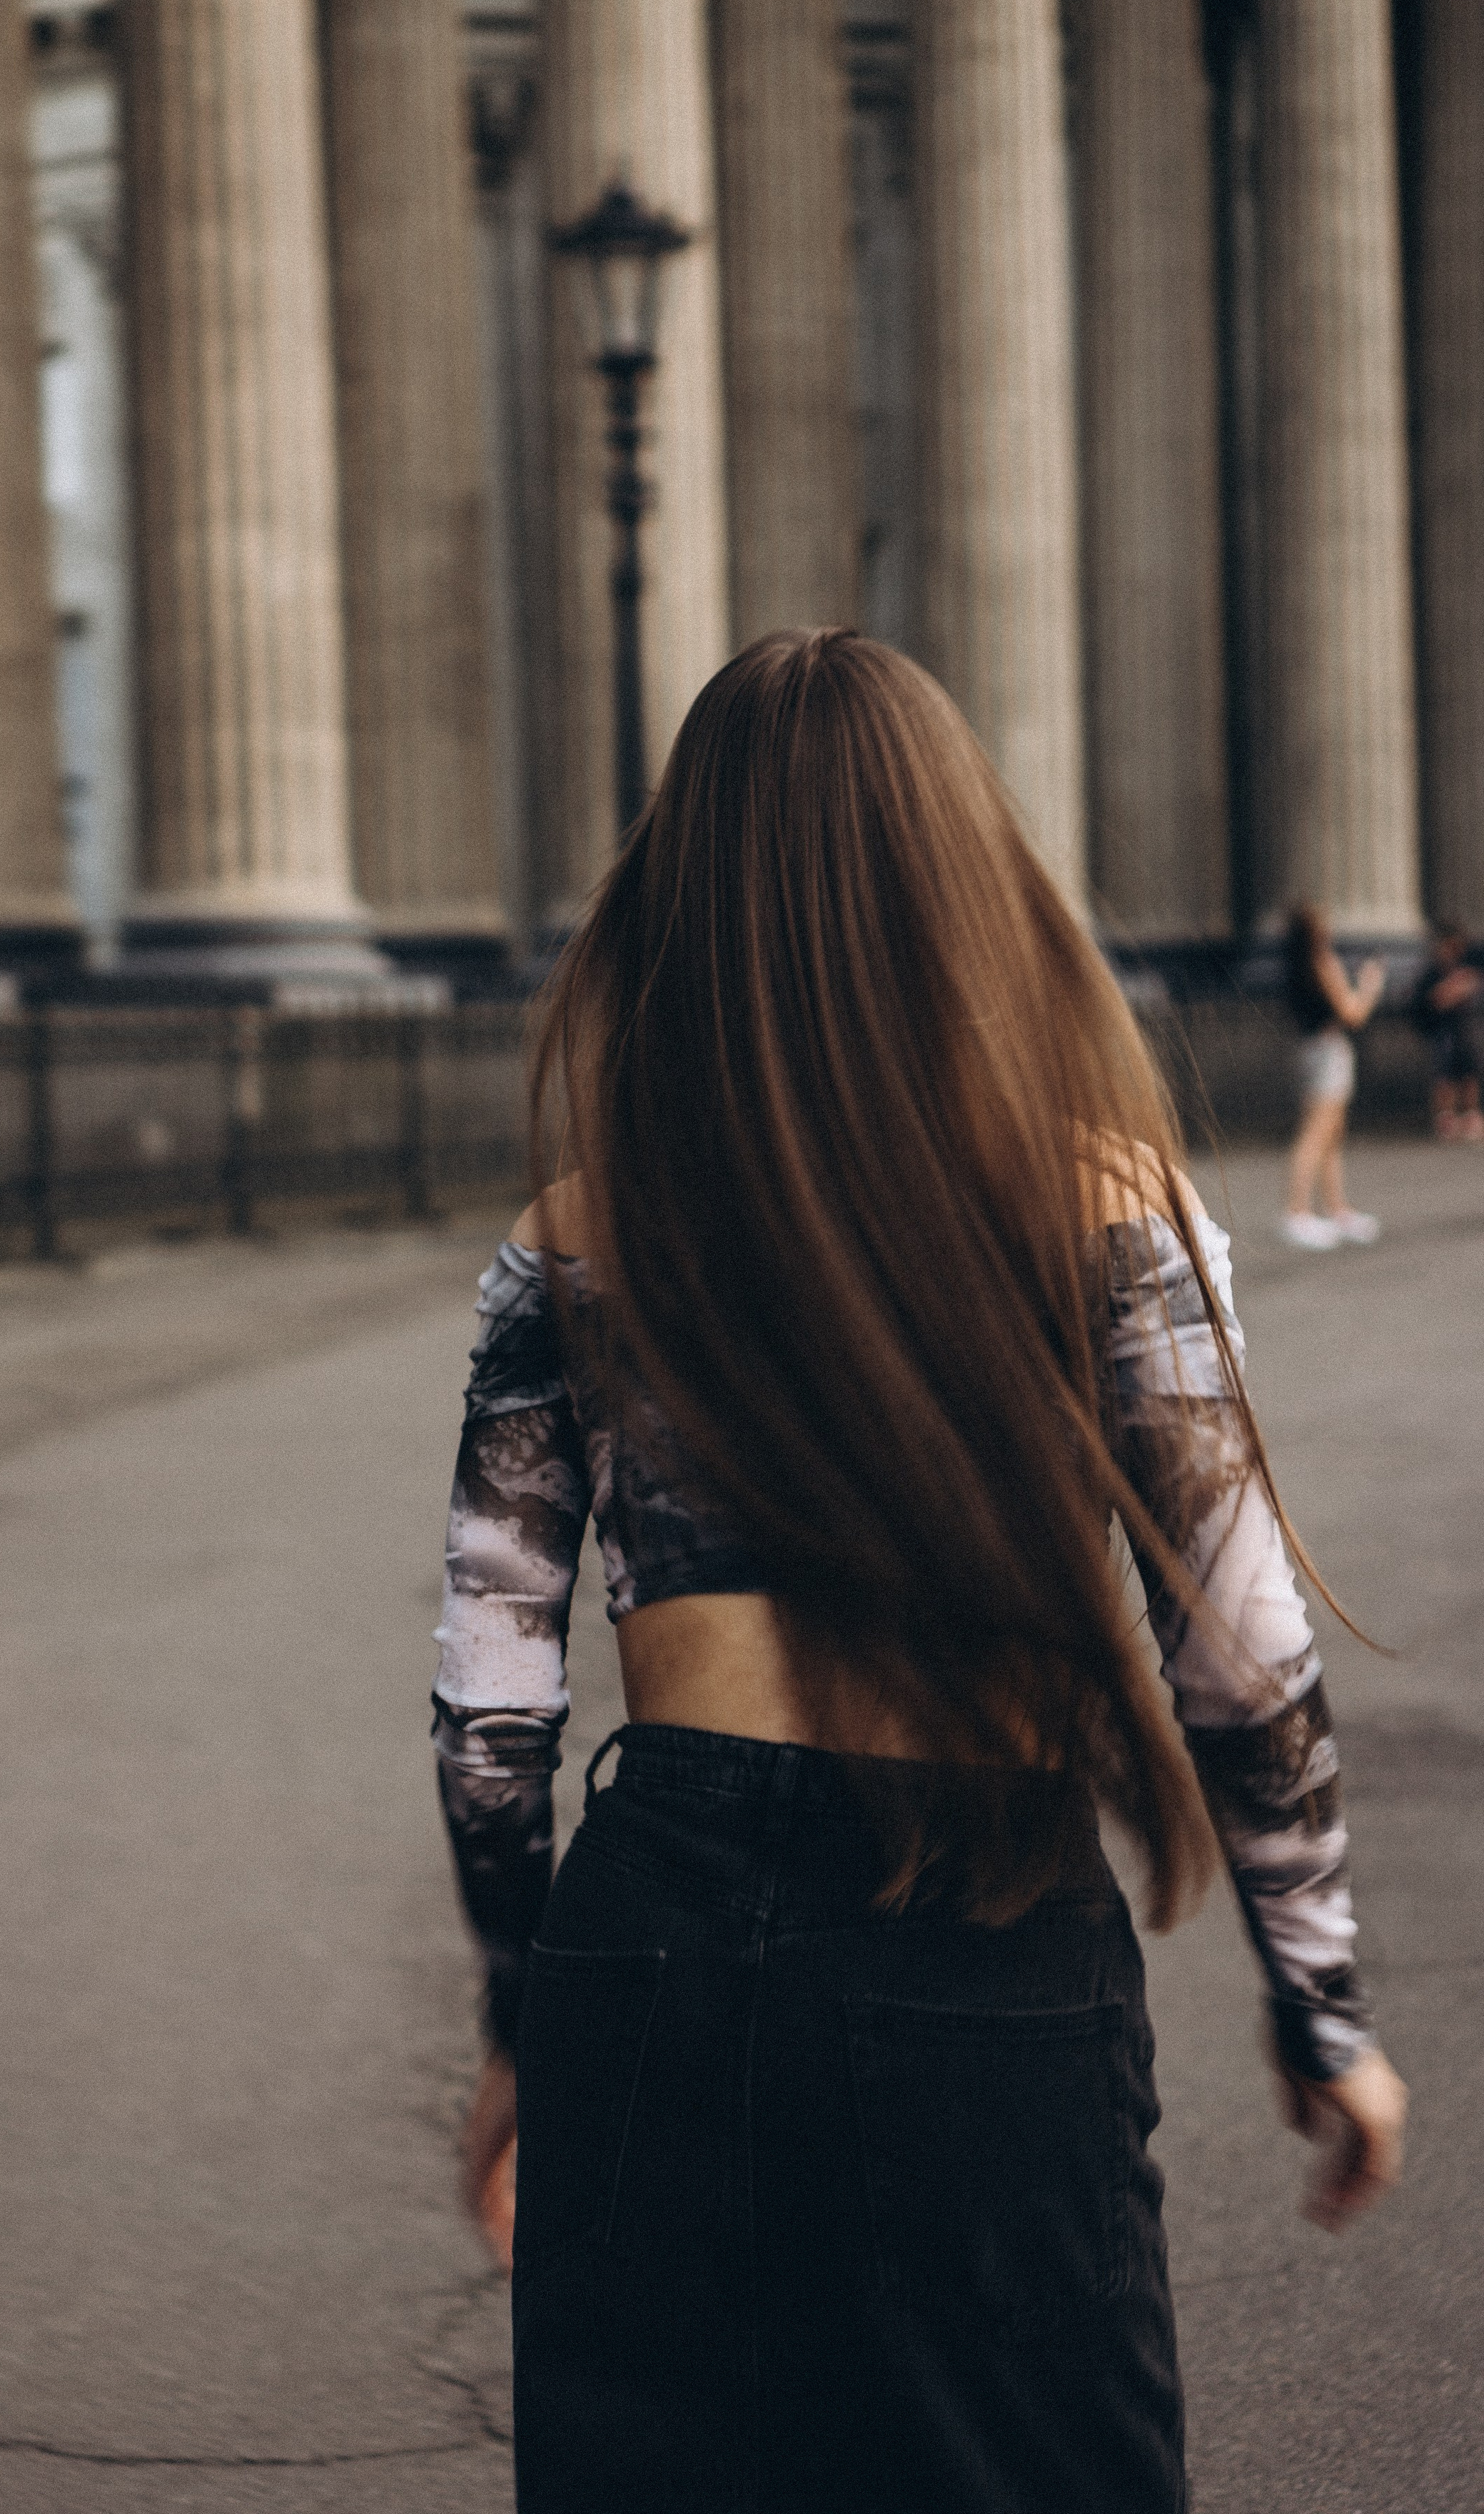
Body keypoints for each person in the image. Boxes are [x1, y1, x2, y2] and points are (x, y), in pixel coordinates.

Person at [431, 633, 1405, 2514]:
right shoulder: (1113, 1209)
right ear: (968, 894)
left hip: (656, 1938)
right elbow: (1249, 1661)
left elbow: (493, 1717)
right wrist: (1325, 2014)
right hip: (978, 1922)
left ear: (682, 910)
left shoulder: (572, 1245)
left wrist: (521, 2025)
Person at [1281, 904, 1386, 1249]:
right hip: (1329, 1052)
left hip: (1310, 1049)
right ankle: (1298, 1212)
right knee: (1317, 1134)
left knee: (1331, 1135)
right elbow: (1352, 1014)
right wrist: (1370, 985)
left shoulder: (1296, 966)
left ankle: (1337, 1209)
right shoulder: (1323, 962)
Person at [1412, 920, 1483, 1142]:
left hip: (1466, 1028)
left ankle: (1470, 1116)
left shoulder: (1468, 964)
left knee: (1469, 1072)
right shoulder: (1433, 973)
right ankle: (1447, 1118)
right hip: (1444, 1031)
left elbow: (1467, 988)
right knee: (1445, 1074)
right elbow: (1436, 1000)